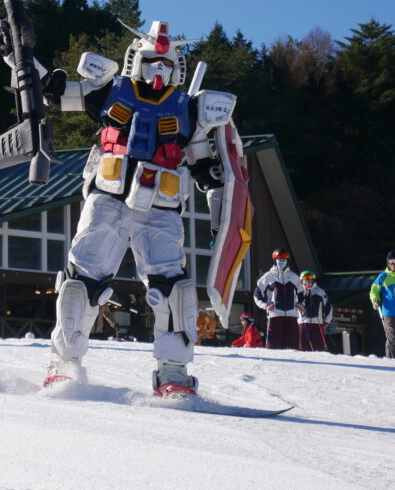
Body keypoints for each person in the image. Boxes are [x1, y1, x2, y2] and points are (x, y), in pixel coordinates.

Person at [36, 20, 251, 397]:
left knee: (172, 288)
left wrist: (220, 208)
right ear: (138, 59)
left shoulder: (190, 108)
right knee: (82, 280)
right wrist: (32, 71)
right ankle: (65, 361)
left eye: (167, 64)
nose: (159, 70)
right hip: (108, 198)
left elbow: (207, 167)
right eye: (153, 60)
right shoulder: (110, 90)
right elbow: (62, 94)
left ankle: (173, 372)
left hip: (161, 208)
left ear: (177, 69)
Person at [253, 249, 304, 350]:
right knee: (273, 346)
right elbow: (257, 294)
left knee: (293, 347)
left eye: (284, 260)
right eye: (279, 260)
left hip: (292, 316)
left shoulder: (294, 277)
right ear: (274, 260)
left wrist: (300, 304)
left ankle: (295, 364)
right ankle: (272, 365)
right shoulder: (268, 276)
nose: (281, 262)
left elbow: (302, 294)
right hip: (274, 316)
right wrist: (265, 305)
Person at [297, 270, 332, 352]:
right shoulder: (298, 292)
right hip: (302, 322)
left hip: (317, 323)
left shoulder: (319, 291)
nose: (308, 281)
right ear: (302, 281)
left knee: (319, 348)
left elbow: (328, 306)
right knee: (300, 347)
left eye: (310, 279)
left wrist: (327, 321)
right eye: (306, 279)